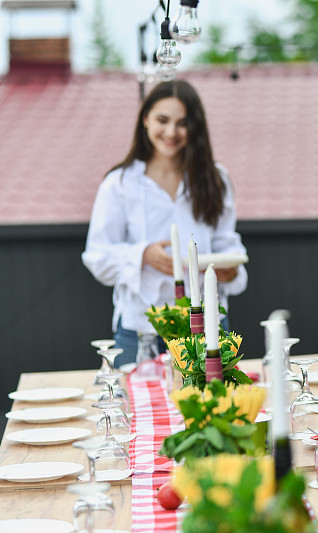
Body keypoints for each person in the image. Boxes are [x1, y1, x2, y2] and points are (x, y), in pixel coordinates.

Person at [82, 80, 248, 368]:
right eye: (162, 120)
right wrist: (143, 255)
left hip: (207, 328)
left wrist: (230, 270)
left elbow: (225, 242)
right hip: (141, 331)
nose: (171, 132)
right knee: (139, 410)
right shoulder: (120, 184)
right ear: (145, 119)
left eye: (182, 123)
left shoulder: (216, 179)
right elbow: (97, 256)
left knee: (211, 408)